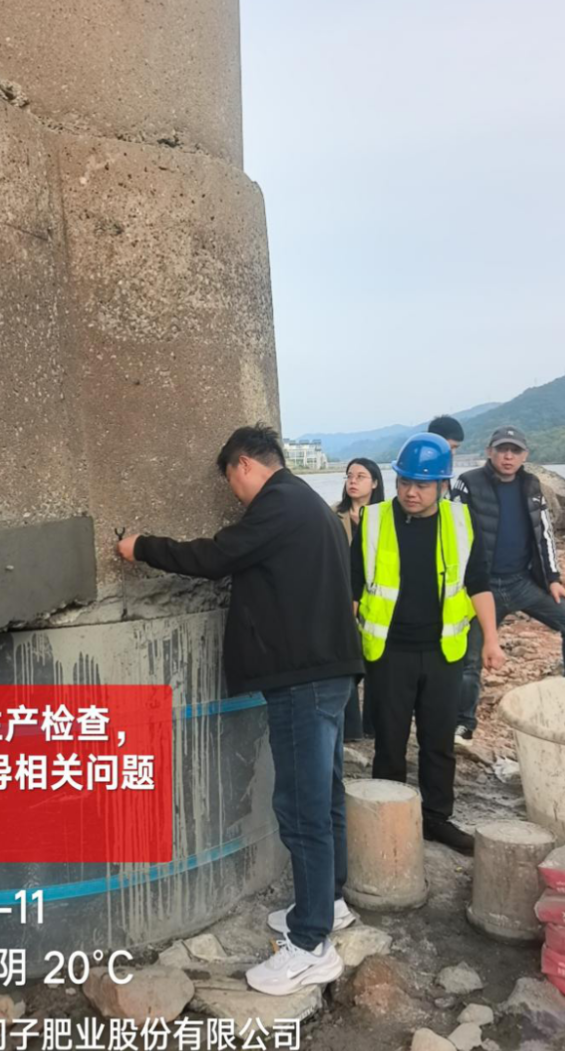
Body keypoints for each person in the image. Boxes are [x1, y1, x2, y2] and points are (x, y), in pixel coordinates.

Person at [116, 424, 362, 996]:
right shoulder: (312, 506)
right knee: (325, 797)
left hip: (303, 680)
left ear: (245, 465)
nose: (236, 496)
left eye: (232, 482)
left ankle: (311, 945)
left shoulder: (278, 505)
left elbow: (215, 556)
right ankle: (329, 903)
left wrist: (141, 547)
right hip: (328, 674)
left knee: (301, 809)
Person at [352, 432, 504, 854]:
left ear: (442, 485)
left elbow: (478, 583)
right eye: (404, 482)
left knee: (438, 741)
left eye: (421, 485)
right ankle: (387, 818)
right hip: (389, 651)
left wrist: (491, 639)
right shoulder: (374, 520)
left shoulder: (461, 521)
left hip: (443, 651)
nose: (410, 492)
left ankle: (436, 818)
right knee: (389, 741)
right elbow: (352, 584)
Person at [451, 425, 565, 741]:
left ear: (525, 455)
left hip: (522, 583)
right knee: (469, 658)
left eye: (515, 451)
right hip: (480, 588)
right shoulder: (468, 483)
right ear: (489, 452)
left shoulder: (531, 485)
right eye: (502, 449)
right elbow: (451, 531)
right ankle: (462, 723)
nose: (508, 456)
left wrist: (553, 579)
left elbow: (545, 533)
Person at [334, 458, 384, 739]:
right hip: (343, 594)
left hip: (377, 599)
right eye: (349, 476)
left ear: (375, 482)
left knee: (378, 662)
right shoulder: (332, 515)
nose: (352, 481)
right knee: (347, 658)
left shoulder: (385, 517)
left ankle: (374, 724)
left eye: (360, 476)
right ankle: (351, 727)